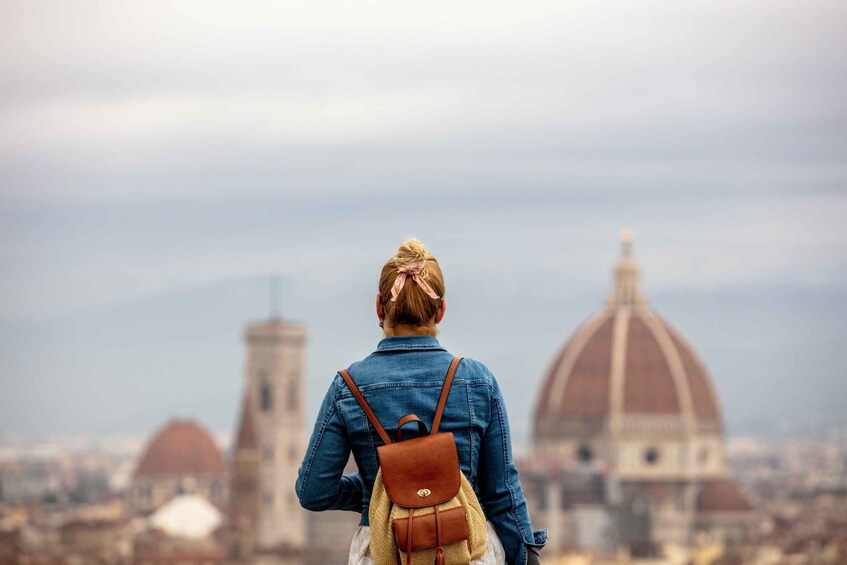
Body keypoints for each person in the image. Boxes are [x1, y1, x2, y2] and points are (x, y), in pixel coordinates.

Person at [296, 239, 546, 565]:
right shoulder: (477, 381)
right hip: (466, 548)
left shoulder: (349, 387)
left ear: (378, 308)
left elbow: (314, 491)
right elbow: (503, 494)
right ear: (440, 311)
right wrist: (527, 555)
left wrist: (382, 488)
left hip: (384, 550)